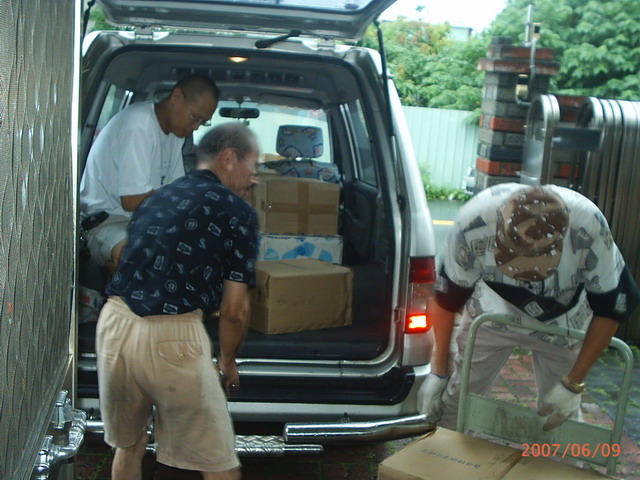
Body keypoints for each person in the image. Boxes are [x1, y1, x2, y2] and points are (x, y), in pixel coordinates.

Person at [95, 122, 260, 480]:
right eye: (252, 165)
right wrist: (227, 361)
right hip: (172, 338)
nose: (254, 177)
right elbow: (235, 311)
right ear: (228, 158)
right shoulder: (239, 212)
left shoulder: (157, 197)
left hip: (114, 324)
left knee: (129, 446)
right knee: (220, 466)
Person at [418, 183, 639, 431]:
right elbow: (446, 300)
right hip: (491, 311)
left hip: (564, 320)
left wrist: (573, 383)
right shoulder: (472, 224)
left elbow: (611, 307)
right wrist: (438, 373)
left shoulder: (589, 226)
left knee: (560, 417)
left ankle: (558, 451)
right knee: (458, 402)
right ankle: (444, 450)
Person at [80, 74, 219, 276]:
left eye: (203, 122)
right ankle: (115, 293)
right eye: (195, 117)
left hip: (144, 222)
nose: (196, 127)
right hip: (108, 222)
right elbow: (131, 200)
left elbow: (176, 191)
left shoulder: (175, 134)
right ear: (176, 97)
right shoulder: (138, 124)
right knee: (139, 255)